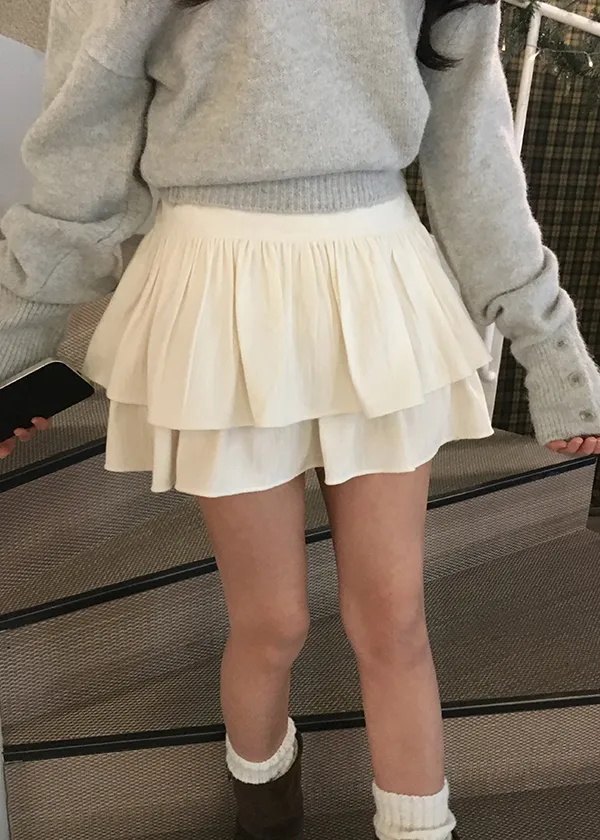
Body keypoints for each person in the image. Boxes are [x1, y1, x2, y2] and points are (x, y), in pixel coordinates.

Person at [1, 0, 599, 837]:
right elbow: (82, 150)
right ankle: (266, 808)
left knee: (393, 618)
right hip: (214, 292)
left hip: (378, 276)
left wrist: (553, 348)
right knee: (272, 622)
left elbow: (475, 158)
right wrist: (17, 343)